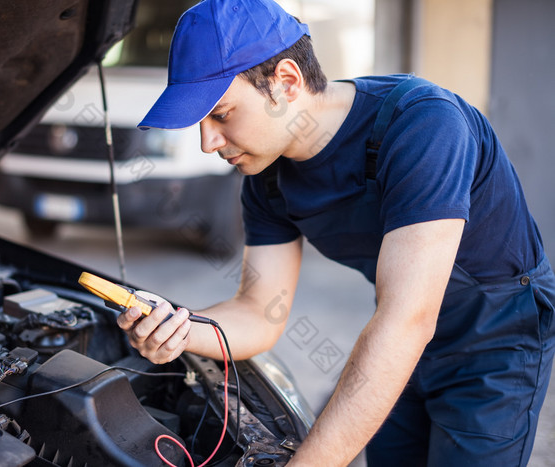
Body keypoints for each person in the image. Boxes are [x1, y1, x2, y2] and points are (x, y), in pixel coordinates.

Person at [116, 0, 555, 465]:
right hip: (397, 338)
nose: (207, 142)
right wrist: (181, 328)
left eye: (221, 114)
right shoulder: (268, 177)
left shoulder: (423, 125)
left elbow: (407, 321)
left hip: (496, 340)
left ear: (286, 82)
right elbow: (257, 312)